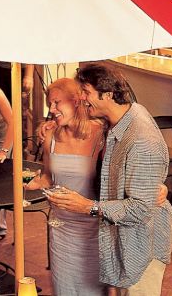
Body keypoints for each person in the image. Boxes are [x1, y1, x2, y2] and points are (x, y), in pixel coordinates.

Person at [47, 63, 172, 296]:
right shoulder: (119, 121)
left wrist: (88, 206)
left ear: (107, 95)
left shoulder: (141, 140)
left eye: (86, 92)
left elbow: (140, 208)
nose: (82, 98)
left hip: (141, 247)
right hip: (124, 242)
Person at [25, 78, 104, 296]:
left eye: (57, 103)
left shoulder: (101, 135)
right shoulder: (51, 134)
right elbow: (47, 179)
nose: (52, 109)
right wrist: (23, 184)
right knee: (64, 289)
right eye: (50, 104)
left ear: (77, 101)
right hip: (61, 227)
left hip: (94, 229)